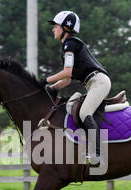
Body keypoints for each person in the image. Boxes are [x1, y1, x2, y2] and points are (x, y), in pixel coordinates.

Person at [44, 11, 111, 165]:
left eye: (55, 26)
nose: (53, 29)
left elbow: (66, 72)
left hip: (98, 82)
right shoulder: (69, 46)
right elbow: (67, 79)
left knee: (84, 112)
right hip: (94, 82)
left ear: (65, 28)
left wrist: (45, 80)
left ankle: (97, 154)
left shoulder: (70, 44)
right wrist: (51, 88)